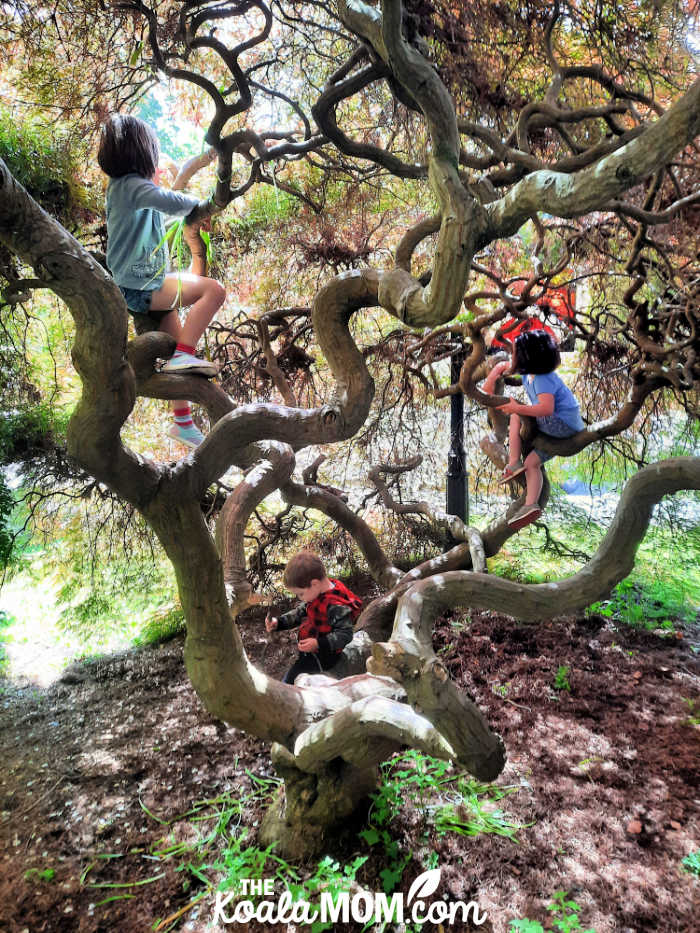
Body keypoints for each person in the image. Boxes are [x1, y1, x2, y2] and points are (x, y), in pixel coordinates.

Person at [97, 114, 226, 448]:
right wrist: (203, 205)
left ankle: (182, 422)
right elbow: (172, 202)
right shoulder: (132, 186)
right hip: (143, 286)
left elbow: (163, 209)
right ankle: (186, 354)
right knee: (214, 290)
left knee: (174, 346)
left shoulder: (125, 190)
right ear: (142, 153)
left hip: (142, 285)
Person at [483, 330, 584, 531]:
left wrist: (517, 408)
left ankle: (513, 463)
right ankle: (531, 505)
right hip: (563, 428)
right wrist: (495, 372)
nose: (513, 357)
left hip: (561, 423)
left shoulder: (542, 378)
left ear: (527, 357)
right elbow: (486, 392)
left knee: (514, 415)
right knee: (532, 463)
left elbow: (546, 409)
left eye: (516, 353)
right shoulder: (531, 374)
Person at [265, 551, 362, 684]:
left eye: (300, 594)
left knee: (289, 681)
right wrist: (279, 622)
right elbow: (301, 612)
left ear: (315, 584)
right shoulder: (318, 593)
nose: (299, 598)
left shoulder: (334, 605)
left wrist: (318, 643)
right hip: (313, 650)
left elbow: (345, 634)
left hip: (324, 657)